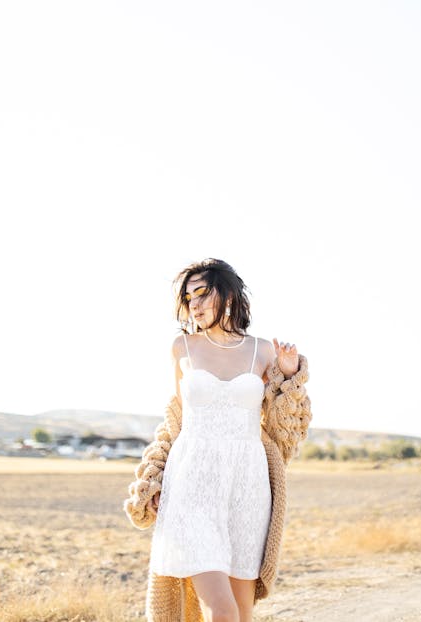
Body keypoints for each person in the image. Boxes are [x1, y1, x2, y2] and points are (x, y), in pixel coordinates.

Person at [124, 258, 312, 622]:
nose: (194, 303)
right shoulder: (183, 348)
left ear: (227, 295)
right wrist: (156, 476)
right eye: (188, 296)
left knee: (240, 614)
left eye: (202, 293)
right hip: (191, 483)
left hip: (247, 487)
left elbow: (283, 428)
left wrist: (289, 378)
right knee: (222, 611)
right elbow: (175, 421)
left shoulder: (264, 351)